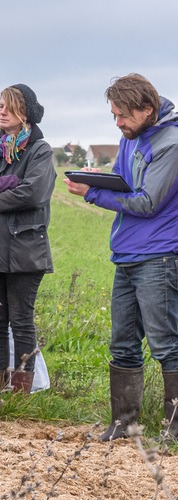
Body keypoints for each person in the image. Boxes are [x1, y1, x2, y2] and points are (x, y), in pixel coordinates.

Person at [68, 73, 178, 441]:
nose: (118, 123)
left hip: (159, 255)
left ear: (147, 109)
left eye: (123, 116)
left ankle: (174, 429)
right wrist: (98, 179)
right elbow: (123, 180)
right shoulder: (130, 137)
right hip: (127, 253)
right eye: (114, 116)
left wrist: (92, 195)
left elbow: (147, 201)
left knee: (167, 344)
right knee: (123, 342)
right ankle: (124, 424)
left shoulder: (171, 142)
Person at [0, 84, 54, 394]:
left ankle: (20, 393)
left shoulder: (40, 150)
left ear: (25, 113)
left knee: (21, 322)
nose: (1, 111)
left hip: (24, 250)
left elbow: (33, 193)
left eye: (8, 106)